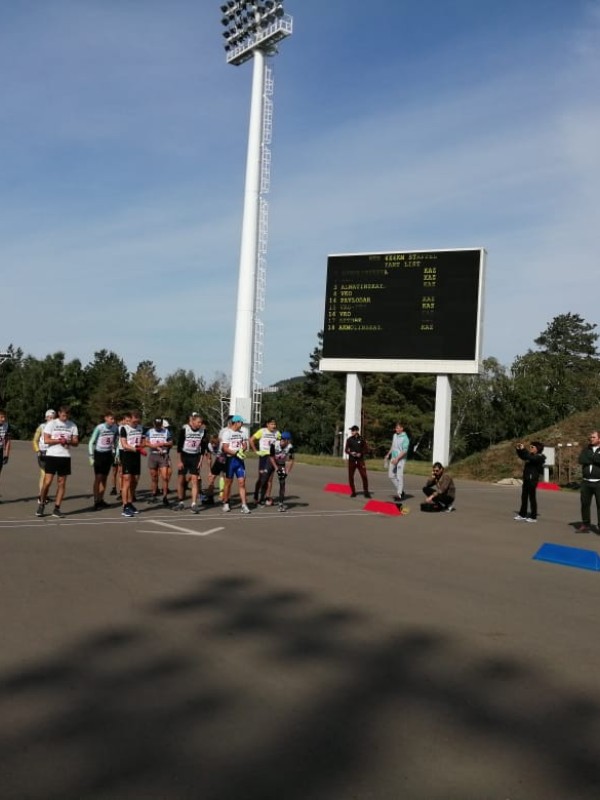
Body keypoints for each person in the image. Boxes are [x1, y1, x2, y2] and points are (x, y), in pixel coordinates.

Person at [36, 406, 79, 518]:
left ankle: (57, 508)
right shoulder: (52, 424)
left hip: (65, 456)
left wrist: (69, 441)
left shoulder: (72, 425)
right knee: (47, 482)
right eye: (63, 414)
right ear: (59, 413)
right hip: (52, 455)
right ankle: (41, 504)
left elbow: (76, 442)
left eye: (67, 415)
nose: (65, 417)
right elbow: (46, 440)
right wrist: (59, 440)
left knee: (61, 483)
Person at [174, 412, 208, 512]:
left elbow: (203, 448)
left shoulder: (203, 431)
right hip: (184, 455)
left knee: (195, 480)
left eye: (201, 422)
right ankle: (181, 502)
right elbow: (179, 447)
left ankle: (193, 504)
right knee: (181, 479)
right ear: (192, 421)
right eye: (198, 422)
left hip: (195, 456)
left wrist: (200, 461)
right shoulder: (185, 429)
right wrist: (179, 461)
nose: (200, 424)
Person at [221, 415, 251, 514]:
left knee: (242, 482)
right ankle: (226, 502)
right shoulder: (227, 433)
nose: (242, 424)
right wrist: (235, 453)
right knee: (228, 483)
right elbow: (225, 448)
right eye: (241, 422)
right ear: (236, 422)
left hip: (239, 461)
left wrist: (242, 450)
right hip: (230, 460)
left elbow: (245, 444)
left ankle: (244, 505)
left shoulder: (243, 433)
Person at [88, 412, 119, 510]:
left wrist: (117, 454)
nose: (113, 421)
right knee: (98, 477)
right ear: (106, 418)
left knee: (104, 478)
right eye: (111, 419)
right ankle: (96, 500)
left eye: (114, 419)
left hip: (108, 454)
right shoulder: (100, 427)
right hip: (99, 454)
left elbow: (116, 442)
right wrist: (91, 456)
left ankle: (101, 499)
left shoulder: (115, 428)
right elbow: (91, 442)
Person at [119, 410, 145, 518]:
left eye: (138, 419)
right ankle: (125, 506)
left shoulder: (140, 427)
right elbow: (124, 444)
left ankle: (130, 503)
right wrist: (136, 449)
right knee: (127, 480)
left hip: (136, 456)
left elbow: (143, 441)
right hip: (127, 455)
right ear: (130, 418)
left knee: (135, 480)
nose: (136, 421)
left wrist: (142, 446)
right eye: (135, 418)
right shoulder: (124, 428)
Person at [250, 418, 280, 505]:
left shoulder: (277, 433)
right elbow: (251, 439)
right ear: (267, 424)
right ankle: (256, 495)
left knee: (270, 479)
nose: (273, 426)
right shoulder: (262, 431)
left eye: (274, 424)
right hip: (263, 456)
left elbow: (280, 443)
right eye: (271, 424)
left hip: (272, 457)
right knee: (262, 478)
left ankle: (266, 497)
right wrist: (256, 451)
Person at [514, 441, 546, 522]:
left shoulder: (539, 457)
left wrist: (523, 449)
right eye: (530, 447)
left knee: (532, 498)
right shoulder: (530, 455)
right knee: (524, 497)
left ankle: (533, 517)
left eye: (532, 447)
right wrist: (519, 450)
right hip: (526, 478)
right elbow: (524, 456)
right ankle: (522, 514)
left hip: (533, 479)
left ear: (537, 449)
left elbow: (530, 457)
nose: (530, 448)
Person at [204, 416, 232, 505]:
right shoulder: (209, 445)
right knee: (211, 478)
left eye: (215, 443)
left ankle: (225, 497)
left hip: (226, 459)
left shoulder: (221, 444)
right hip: (218, 460)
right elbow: (209, 458)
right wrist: (209, 471)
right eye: (212, 444)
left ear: (218, 441)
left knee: (226, 478)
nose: (213, 445)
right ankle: (210, 497)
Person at [576, 430, 600, 533]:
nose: (591, 439)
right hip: (586, 482)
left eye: (593, 437)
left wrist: (592, 458)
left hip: (598, 482)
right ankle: (585, 525)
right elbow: (581, 460)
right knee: (585, 504)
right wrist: (594, 458)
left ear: (599, 439)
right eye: (590, 437)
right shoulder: (586, 449)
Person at [145, 417, 173, 507]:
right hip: (153, 455)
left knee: (165, 477)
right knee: (154, 476)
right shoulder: (150, 431)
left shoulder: (166, 431)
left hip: (163, 456)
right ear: (153, 424)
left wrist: (163, 444)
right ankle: (154, 494)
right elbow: (145, 442)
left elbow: (171, 443)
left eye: (159, 425)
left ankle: (165, 497)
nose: (158, 427)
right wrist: (154, 446)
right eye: (156, 425)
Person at [269, 431, 295, 511]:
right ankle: (263, 498)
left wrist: (286, 472)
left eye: (284, 440)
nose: (282, 441)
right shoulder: (274, 444)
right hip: (272, 462)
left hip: (281, 464)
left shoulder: (290, 447)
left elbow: (291, 460)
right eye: (281, 439)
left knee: (282, 483)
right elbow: (271, 457)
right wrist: (276, 469)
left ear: (288, 441)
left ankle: (281, 504)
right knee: (265, 479)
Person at [385, 421, 410, 501]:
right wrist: (388, 454)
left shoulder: (405, 438)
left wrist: (397, 459)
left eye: (399, 428)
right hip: (393, 458)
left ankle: (399, 495)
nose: (397, 429)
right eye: (396, 428)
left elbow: (404, 451)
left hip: (401, 459)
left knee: (399, 476)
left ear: (402, 428)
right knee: (391, 475)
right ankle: (401, 491)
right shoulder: (395, 435)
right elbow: (393, 446)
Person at [33, 409, 56, 497]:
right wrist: (37, 450)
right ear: (46, 417)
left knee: (49, 476)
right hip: (42, 452)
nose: (51, 419)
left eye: (53, 418)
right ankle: (41, 494)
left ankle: (44, 494)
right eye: (49, 417)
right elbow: (35, 440)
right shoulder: (42, 427)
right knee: (44, 474)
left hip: (52, 453)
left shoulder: (56, 427)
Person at [344, 425, 371, 498]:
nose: (351, 432)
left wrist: (361, 453)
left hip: (360, 460)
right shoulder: (349, 440)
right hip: (352, 461)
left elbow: (366, 449)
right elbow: (346, 450)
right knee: (351, 477)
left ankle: (366, 492)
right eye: (351, 430)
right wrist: (351, 453)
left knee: (364, 476)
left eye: (353, 430)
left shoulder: (362, 439)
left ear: (356, 431)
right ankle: (353, 492)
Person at [0, 410, 11, 500]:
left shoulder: (6, 425)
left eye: (4, 417)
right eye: (1, 417)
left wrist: (6, 454)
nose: (3, 419)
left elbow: (7, 441)